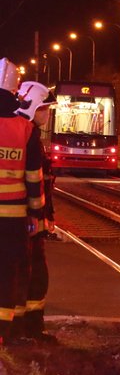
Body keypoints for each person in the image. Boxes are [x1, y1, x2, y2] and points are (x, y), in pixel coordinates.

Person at [0, 59, 45, 348]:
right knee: (7, 271)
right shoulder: (26, 130)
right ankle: (3, 330)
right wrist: (38, 213)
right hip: (14, 216)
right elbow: (33, 178)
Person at [15, 81, 58, 344]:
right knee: (34, 272)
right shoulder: (28, 135)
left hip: (22, 215)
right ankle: (30, 327)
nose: (48, 114)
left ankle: (22, 326)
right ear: (33, 108)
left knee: (25, 271)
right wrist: (40, 213)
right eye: (45, 109)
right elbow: (35, 179)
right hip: (29, 216)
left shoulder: (17, 130)